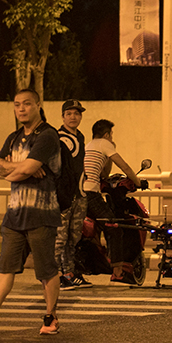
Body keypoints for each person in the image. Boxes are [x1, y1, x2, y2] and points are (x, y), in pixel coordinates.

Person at [0, 88, 62, 335]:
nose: (21, 109)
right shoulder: (14, 137)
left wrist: (15, 170)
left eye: (27, 104)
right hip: (15, 215)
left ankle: (50, 318)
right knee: (5, 267)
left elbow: (15, 172)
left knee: (46, 270)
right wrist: (19, 168)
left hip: (41, 214)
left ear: (38, 105)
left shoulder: (48, 136)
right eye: (17, 105)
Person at [81, 119, 143, 285]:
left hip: (80, 193)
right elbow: (125, 167)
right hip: (90, 194)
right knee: (113, 226)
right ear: (107, 134)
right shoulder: (105, 144)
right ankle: (117, 272)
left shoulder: (88, 146)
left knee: (93, 227)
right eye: (111, 134)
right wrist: (138, 182)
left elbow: (103, 174)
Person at [54, 99, 92, 290]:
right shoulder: (58, 137)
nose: (73, 117)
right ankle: (53, 277)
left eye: (76, 113)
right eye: (69, 113)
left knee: (74, 237)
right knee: (59, 238)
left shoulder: (80, 137)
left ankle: (69, 274)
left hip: (80, 194)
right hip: (63, 196)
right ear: (63, 117)